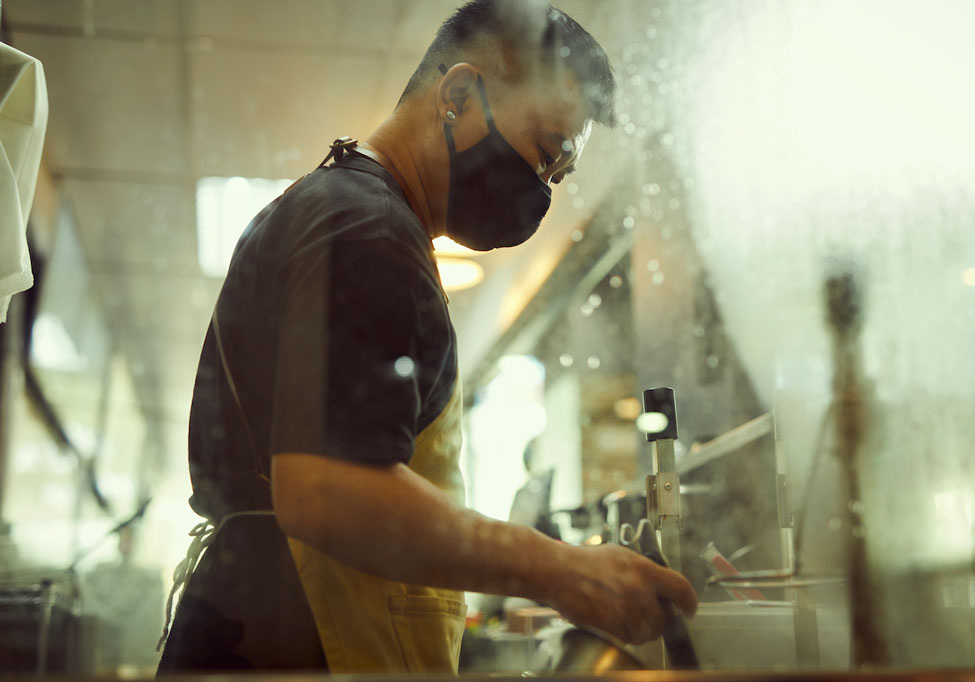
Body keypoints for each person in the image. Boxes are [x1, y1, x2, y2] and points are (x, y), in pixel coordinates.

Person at [157, 0, 697, 674]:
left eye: (558, 178)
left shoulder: (346, 210)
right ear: (460, 95)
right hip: (295, 646)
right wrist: (559, 569)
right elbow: (326, 487)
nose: (542, 193)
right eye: (544, 155)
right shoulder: (365, 230)